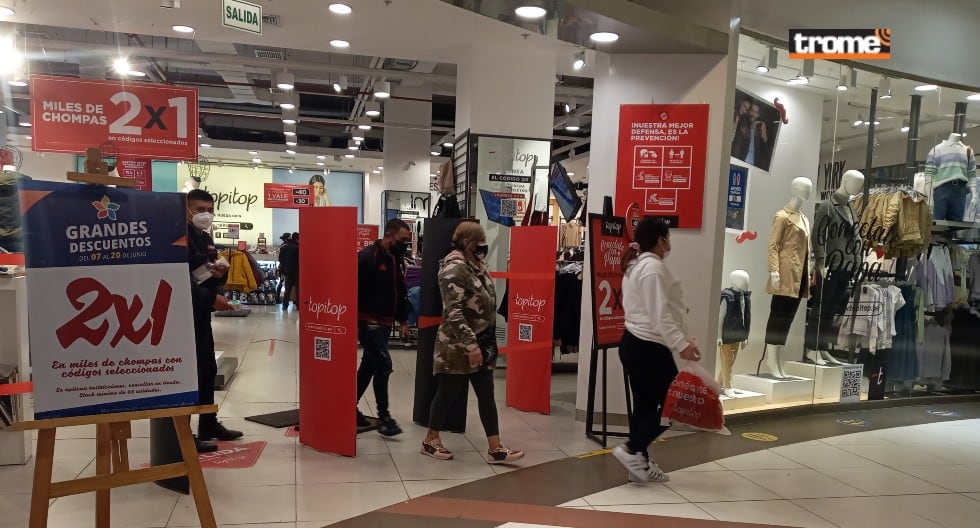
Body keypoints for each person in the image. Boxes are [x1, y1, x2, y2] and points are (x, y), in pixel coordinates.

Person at [422, 222, 524, 464]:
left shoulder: (477, 266)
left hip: (483, 342)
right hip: (457, 345)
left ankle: (495, 448)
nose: (483, 247)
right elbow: (453, 311)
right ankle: (430, 439)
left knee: (486, 394)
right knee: (447, 393)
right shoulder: (454, 269)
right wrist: (470, 344)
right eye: (479, 243)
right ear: (467, 243)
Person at [613, 217, 700, 483]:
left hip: (636, 344)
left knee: (646, 406)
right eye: (668, 238)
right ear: (661, 240)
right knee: (673, 406)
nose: (670, 244)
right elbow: (658, 314)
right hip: (647, 347)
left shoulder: (639, 264)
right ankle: (631, 450)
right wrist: (682, 345)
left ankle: (638, 463)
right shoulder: (651, 267)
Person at [186, 189, 244, 451]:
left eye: (209, 210)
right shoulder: (180, 237)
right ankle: (183, 435)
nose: (205, 215)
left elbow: (200, 274)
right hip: (183, 313)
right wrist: (212, 299)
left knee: (207, 368)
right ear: (186, 209)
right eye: (199, 210)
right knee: (189, 372)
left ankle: (208, 422)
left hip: (200, 312)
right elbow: (180, 278)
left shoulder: (204, 236)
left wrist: (218, 273)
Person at [356, 219, 412, 436]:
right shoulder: (368, 257)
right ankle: (384, 417)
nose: (405, 244)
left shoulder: (395, 259)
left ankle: (346, 405)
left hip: (385, 322)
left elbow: (399, 290)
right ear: (389, 236)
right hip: (368, 320)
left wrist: (403, 320)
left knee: (369, 366)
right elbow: (354, 287)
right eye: (403, 240)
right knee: (383, 364)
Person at [279, 232, 299, 310]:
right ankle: (298, 305)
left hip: (287, 272)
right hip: (297, 271)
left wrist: (284, 269)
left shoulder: (284, 247)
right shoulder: (297, 247)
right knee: (298, 289)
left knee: (287, 290)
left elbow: (280, 259)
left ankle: (285, 305)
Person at [275, 233, 291, 303]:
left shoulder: (282, 245)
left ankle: (277, 298)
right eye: (290, 237)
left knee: (281, 283)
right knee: (282, 283)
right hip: (285, 268)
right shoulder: (286, 246)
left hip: (282, 267)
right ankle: (278, 298)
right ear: (286, 238)